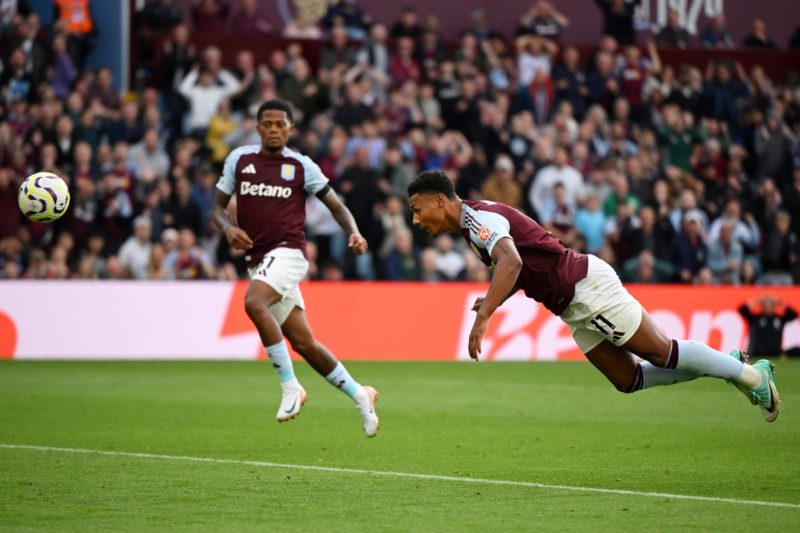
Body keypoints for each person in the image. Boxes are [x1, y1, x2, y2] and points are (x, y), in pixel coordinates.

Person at [407, 170, 781, 422]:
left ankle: (751, 376)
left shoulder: (476, 220)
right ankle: (727, 365)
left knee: (663, 352)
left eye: (417, 209)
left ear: (440, 200)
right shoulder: (472, 226)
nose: (416, 219)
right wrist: (496, 298)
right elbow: (523, 266)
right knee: (627, 379)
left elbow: (512, 261)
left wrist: (485, 314)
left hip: (587, 288)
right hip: (572, 306)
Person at [212, 99, 379, 437]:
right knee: (305, 343)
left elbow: (336, 205)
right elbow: (216, 209)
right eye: (268, 124)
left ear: (290, 128)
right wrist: (228, 228)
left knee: (253, 303)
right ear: (258, 128)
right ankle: (361, 394)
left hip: (288, 254)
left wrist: (354, 232)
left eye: (280, 124)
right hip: (258, 261)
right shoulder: (239, 161)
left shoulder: (301, 166)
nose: (274, 129)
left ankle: (290, 386)